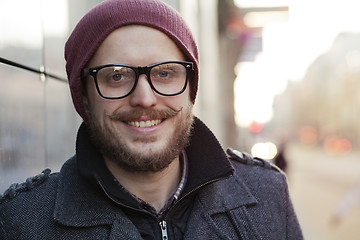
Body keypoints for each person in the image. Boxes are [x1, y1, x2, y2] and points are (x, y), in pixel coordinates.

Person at [0, 0, 303, 239]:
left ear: (190, 90)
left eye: (165, 73)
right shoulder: (21, 222)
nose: (144, 98)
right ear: (83, 97)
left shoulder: (267, 194)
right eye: (117, 76)